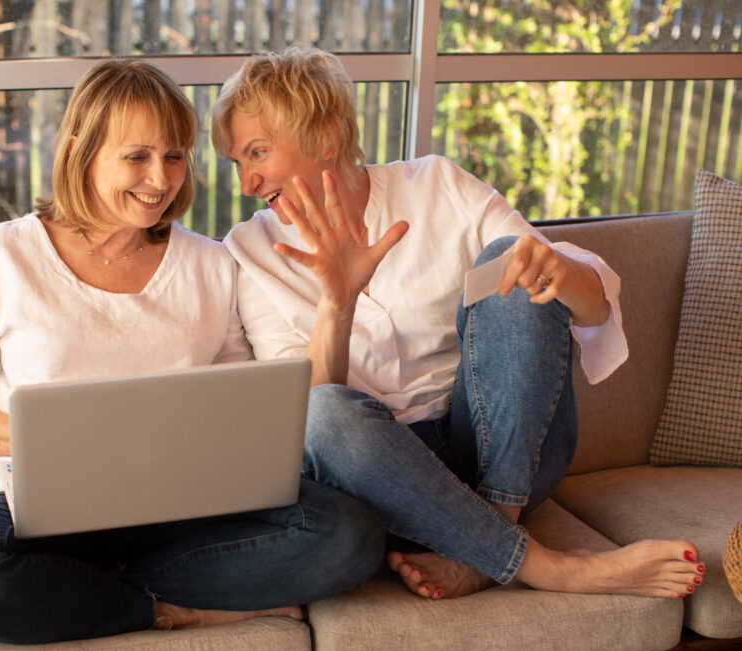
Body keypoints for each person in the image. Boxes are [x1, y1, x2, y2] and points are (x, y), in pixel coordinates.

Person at [0, 59, 384, 645]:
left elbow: (244, 401)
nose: (161, 178)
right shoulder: (2, 255)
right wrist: (69, 437)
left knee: (350, 533)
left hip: (187, 512)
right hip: (43, 511)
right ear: (81, 150)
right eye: (136, 157)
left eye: (175, 155)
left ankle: (88, 588)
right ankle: (166, 609)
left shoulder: (211, 264)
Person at [211, 45, 706, 600]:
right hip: (383, 481)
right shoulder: (248, 252)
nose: (246, 182)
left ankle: (495, 523)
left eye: (257, 153)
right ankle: (536, 564)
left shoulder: (437, 185)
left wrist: (558, 271)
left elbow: (588, 307)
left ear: (325, 137)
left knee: (513, 259)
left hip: (503, 449)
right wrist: (338, 302)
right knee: (319, 412)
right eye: (237, 163)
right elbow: (309, 430)